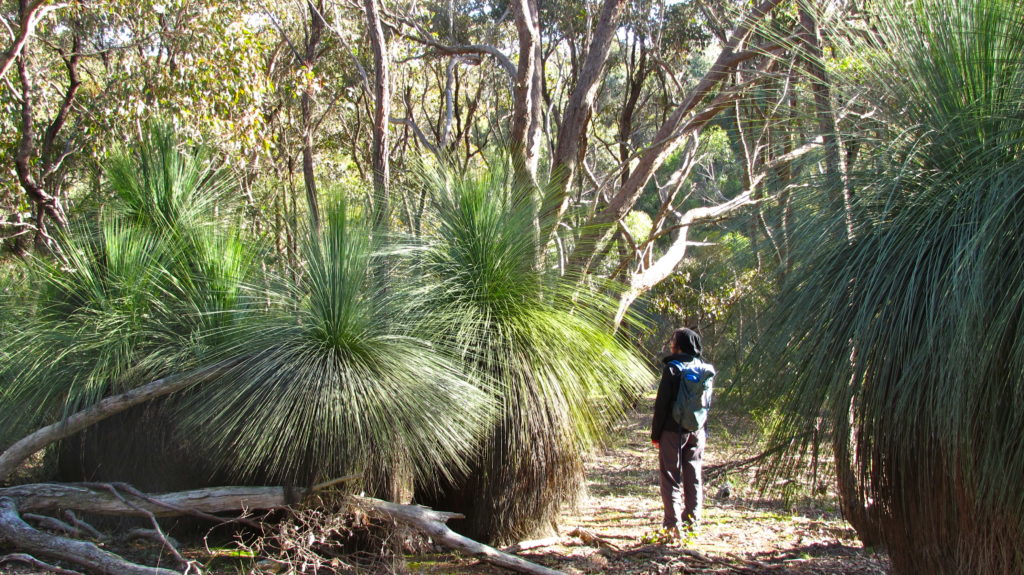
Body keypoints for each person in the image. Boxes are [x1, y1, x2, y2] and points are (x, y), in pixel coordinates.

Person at [651, 327, 715, 539]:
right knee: (693, 474)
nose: (671, 344)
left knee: (670, 476)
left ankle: (672, 525)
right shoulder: (705, 369)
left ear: (679, 346)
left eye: (673, 341)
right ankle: (692, 523)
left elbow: (661, 405)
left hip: (672, 430)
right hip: (697, 430)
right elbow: (706, 404)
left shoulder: (673, 368)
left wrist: (655, 434)